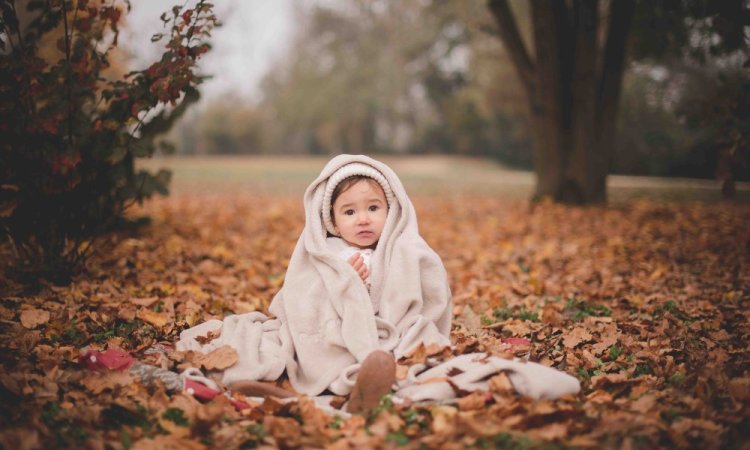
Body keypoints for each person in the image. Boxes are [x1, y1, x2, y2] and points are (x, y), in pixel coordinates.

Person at [177, 154, 453, 413]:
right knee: (280, 346)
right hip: (330, 333)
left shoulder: (401, 250)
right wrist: (343, 284)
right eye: (349, 212)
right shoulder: (325, 253)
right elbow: (301, 298)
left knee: (387, 356)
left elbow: (422, 294)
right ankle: (278, 387)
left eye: (373, 207)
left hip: (382, 332)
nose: (363, 219)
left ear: (390, 210)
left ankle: (362, 391)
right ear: (332, 219)